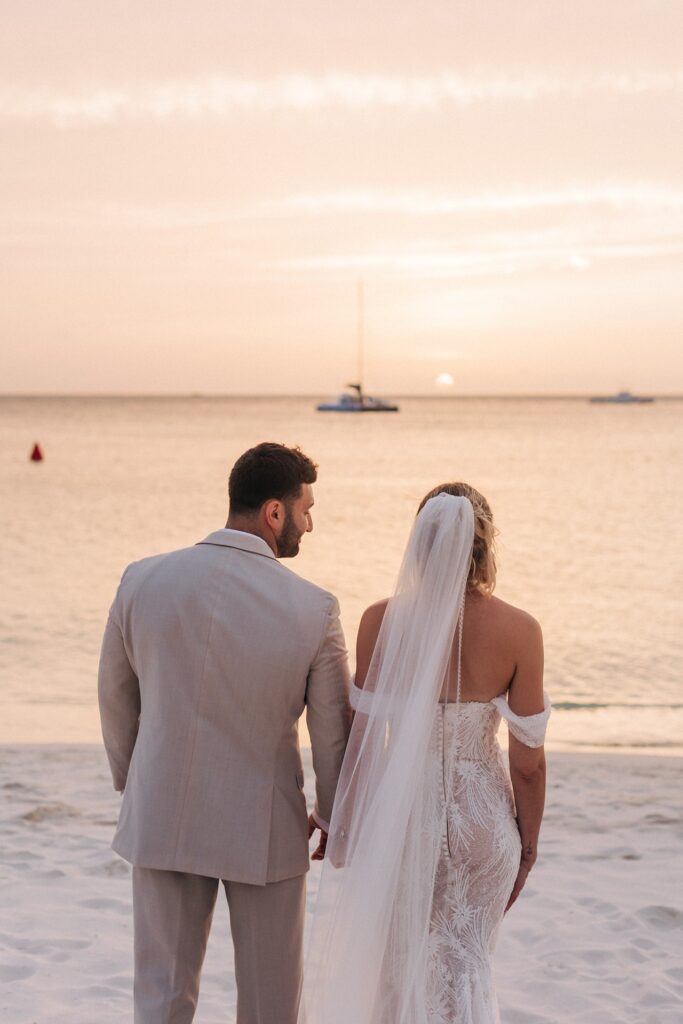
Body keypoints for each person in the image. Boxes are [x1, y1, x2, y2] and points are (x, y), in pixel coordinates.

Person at [98, 442, 351, 1024]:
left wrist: (134, 778)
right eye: (306, 509)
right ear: (274, 512)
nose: (310, 524)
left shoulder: (141, 580)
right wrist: (334, 815)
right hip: (262, 828)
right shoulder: (313, 609)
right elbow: (331, 734)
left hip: (163, 810)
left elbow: (115, 696)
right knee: (270, 1005)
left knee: (160, 999)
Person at [301, 482, 550, 1024]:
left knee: (399, 972)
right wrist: (528, 843)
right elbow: (527, 763)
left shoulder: (379, 620)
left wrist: (339, 819)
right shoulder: (520, 630)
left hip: (401, 820)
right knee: (468, 966)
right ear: (485, 545)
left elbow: (362, 741)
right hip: (483, 827)